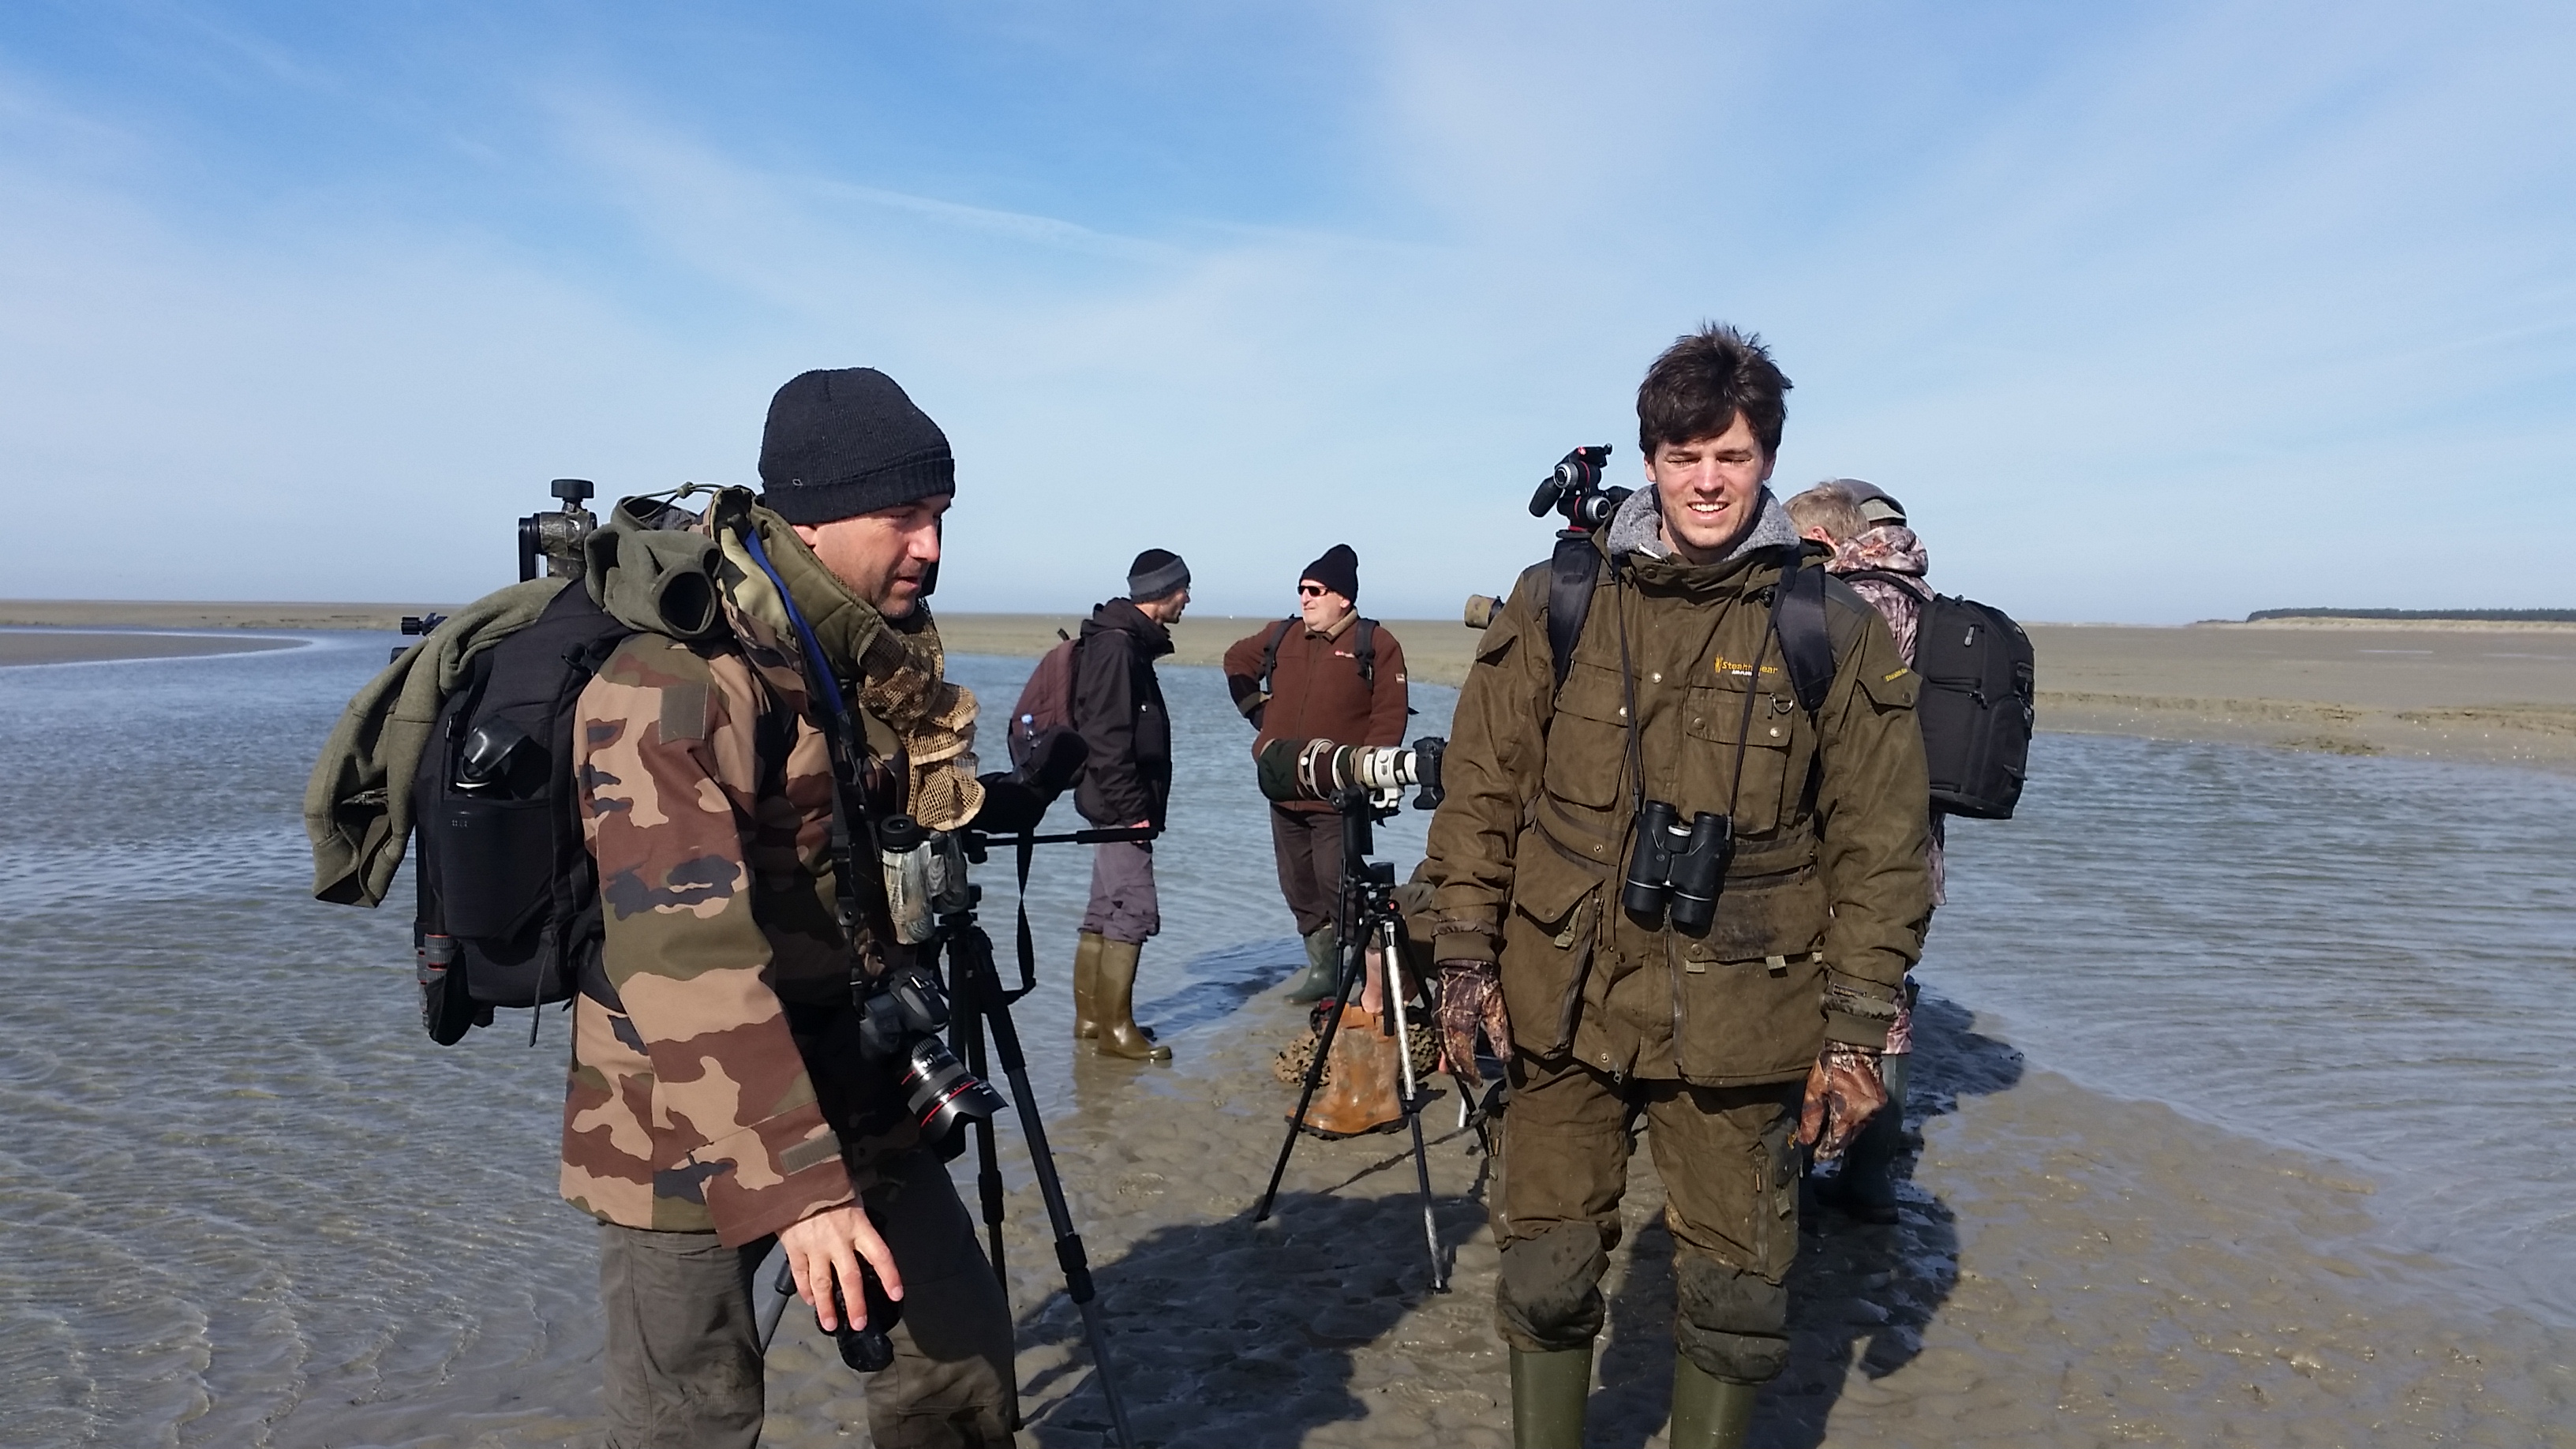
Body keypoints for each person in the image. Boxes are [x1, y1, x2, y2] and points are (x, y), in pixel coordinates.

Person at [1424, 325, 1930, 1449]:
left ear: (1768, 467)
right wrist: (1462, 959)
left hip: (1747, 1008)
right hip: (1562, 992)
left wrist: (1853, 1033)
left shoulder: (1830, 629)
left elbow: (1881, 848)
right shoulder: (1555, 598)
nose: (1708, 479)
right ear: (1651, 458)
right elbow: (1481, 794)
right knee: (1547, 1272)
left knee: (1739, 1295)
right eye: (1686, 453)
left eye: (1735, 456)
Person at [563, 367, 1016, 1448]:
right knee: (691, 1421)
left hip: (858, 1073)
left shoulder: (855, 656)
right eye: (903, 516)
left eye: (940, 516)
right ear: (809, 516)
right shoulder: (672, 683)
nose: (931, 548)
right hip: (681, 1115)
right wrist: (805, 1196)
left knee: (959, 1376)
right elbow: (685, 959)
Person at [1783, 478, 1941, 1223]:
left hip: (1861, 840)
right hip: (1914, 838)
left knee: (1857, 999)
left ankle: (1855, 1170)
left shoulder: (1859, 604)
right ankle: (1866, 1173)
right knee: (1890, 996)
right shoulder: (1917, 590)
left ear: (1817, 543)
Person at [1222, 545, 1410, 1002]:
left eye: (1315, 591)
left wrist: (1373, 773)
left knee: (1339, 882)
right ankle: (1324, 972)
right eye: (1302, 590)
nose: (1305, 598)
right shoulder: (1282, 635)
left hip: (1339, 793)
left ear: (1343, 598)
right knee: (1298, 884)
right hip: (1283, 787)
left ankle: (1374, 980)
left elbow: (1389, 716)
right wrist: (1261, 719)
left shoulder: (1375, 644)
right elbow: (1235, 662)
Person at [1067, 549, 1192, 1061]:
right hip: (1118, 805)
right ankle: (1117, 1032)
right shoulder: (1118, 647)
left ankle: (1092, 1020)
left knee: (1104, 908)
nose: (1188, 599)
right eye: (1184, 589)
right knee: (1135, 911)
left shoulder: (1121, 642)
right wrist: (1131, 809)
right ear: (1163, 593)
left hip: (1111, 803)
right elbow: (1106, 736)